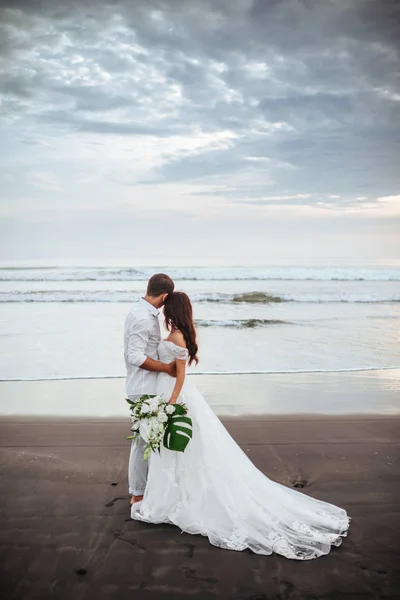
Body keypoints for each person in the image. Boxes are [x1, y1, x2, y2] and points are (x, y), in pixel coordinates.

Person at [131, 291, 350, 560]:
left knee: (185, 448)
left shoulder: (177, 337)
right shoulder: (180, 333)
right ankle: (171, 494)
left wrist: (171, 405)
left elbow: (180, 376)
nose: (163, 312)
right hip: (167, 392)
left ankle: (175, 498)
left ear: (173, 310)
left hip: (174, 394)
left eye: (167, 309)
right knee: (181, 449)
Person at [124, 273, 176, 505]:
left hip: (147, 385)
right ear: (164, 295)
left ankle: (145, 489)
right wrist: (166, 368)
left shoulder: (142, 312)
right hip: (143, 387)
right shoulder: (143, 317)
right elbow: (134, 355)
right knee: (142, 441)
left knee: (147, 439)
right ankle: (137, 494)